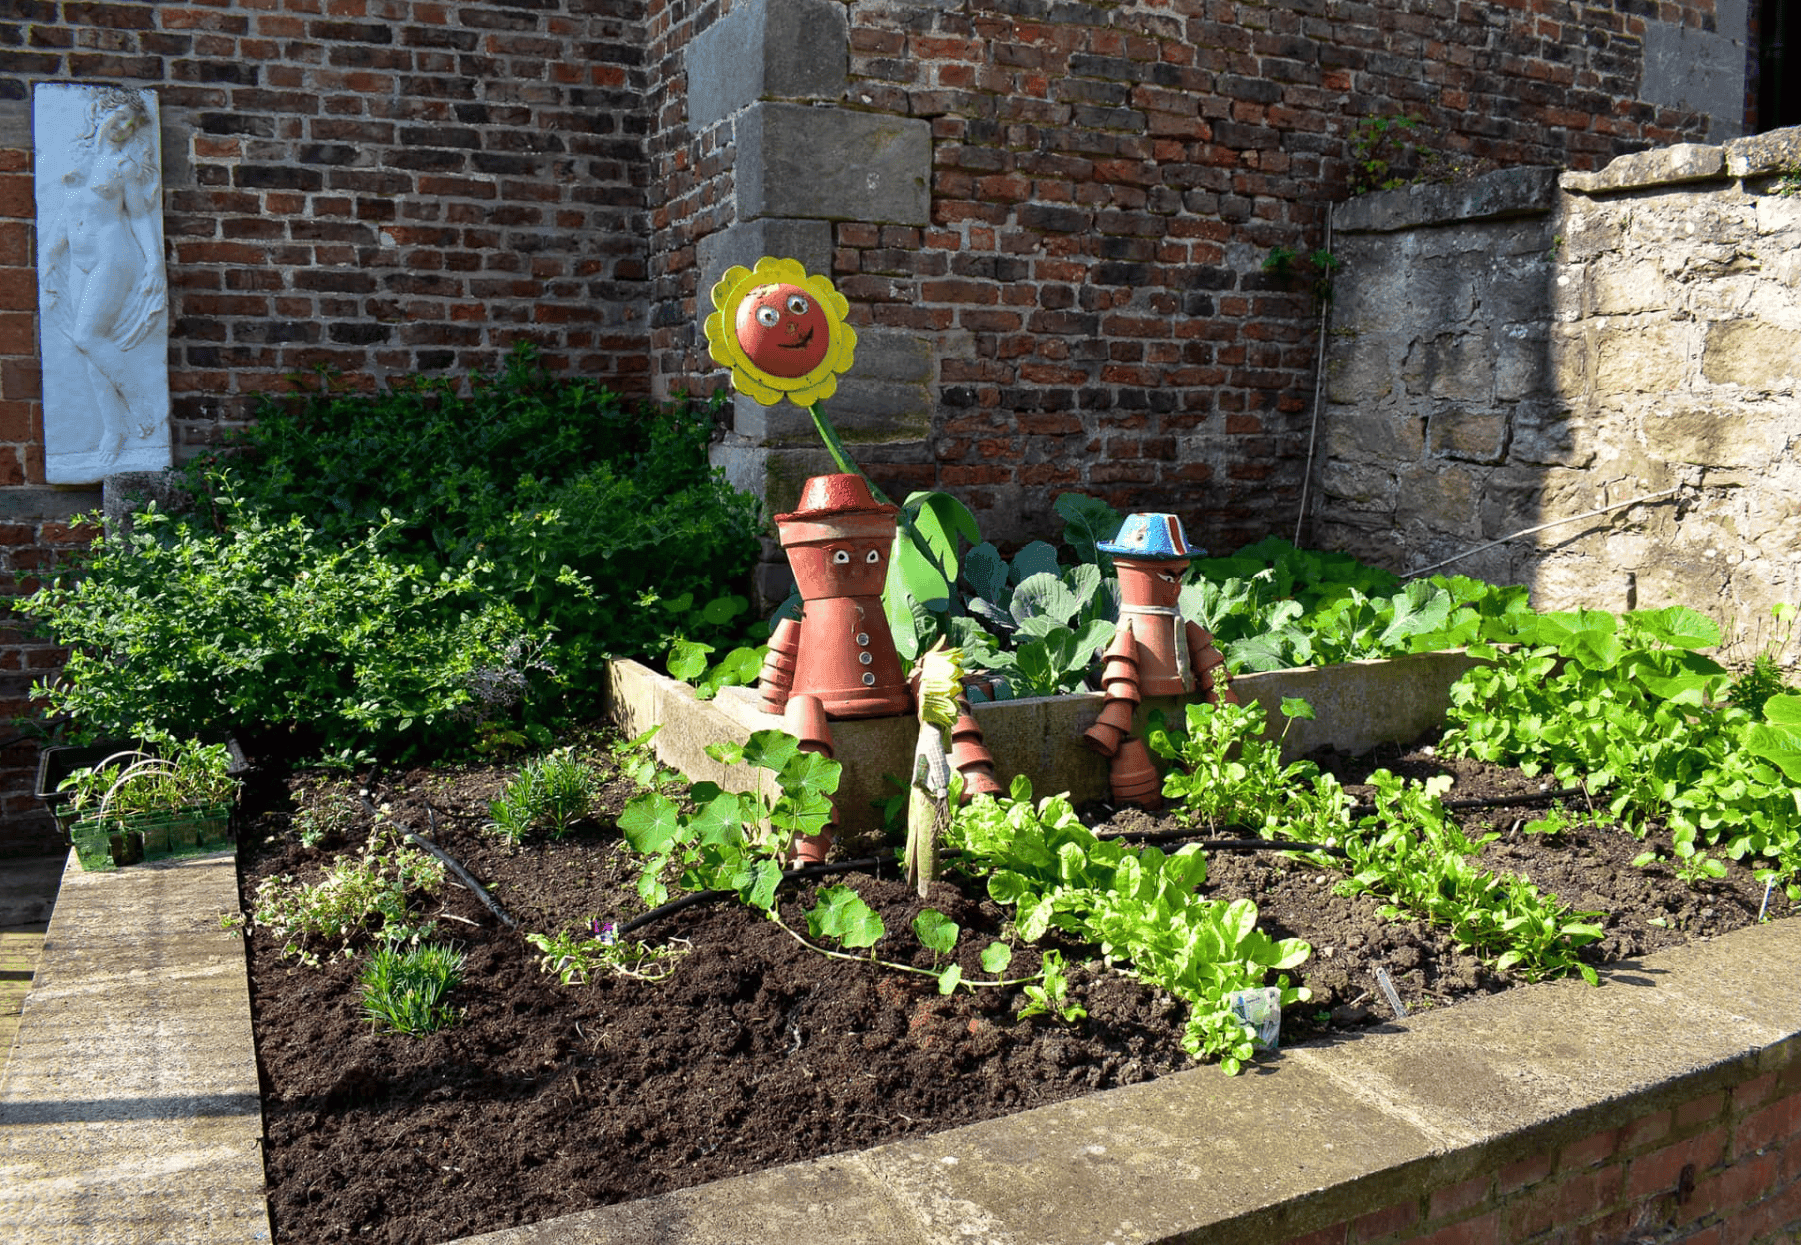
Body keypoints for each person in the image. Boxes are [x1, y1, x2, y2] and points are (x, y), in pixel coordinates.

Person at [39, 88, 165, 462]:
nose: (124, 128)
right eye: (120, 118)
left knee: (86, 336)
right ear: (101, 113)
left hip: (115, 255)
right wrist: (50, 253)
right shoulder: (77, 158)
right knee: (94, 348)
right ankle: (113, 430)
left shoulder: (123, 166)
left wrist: (155, 263)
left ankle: (141, 403)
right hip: (80, 261)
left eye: (132, 125)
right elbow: (67, 214)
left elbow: (140, 215)